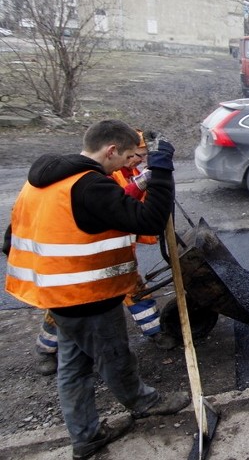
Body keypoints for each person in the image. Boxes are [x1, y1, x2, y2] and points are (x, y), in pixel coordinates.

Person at [3, 120, 190, 459]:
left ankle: (86, 435)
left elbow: (10, 240)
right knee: (115, 358)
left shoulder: (46, 181)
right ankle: (144, 402)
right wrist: (161, 171)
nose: (131, 164)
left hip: (58, 297)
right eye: (130, 157)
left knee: (73, 367)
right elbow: (148, 219)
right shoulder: (90, 186)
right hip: (88, 297)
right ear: (111, 150)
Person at [32, 131, 177, 376]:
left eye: (142, 156)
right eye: (135, 156)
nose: (138, 161)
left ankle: (155, 331)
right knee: (64, 311)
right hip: (79, 263)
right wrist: (143, 184)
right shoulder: (106, 173)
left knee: (134, 289)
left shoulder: (128, 168)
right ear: (115, 151)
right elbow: (115, 204)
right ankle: (46, 349)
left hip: (113, 253)